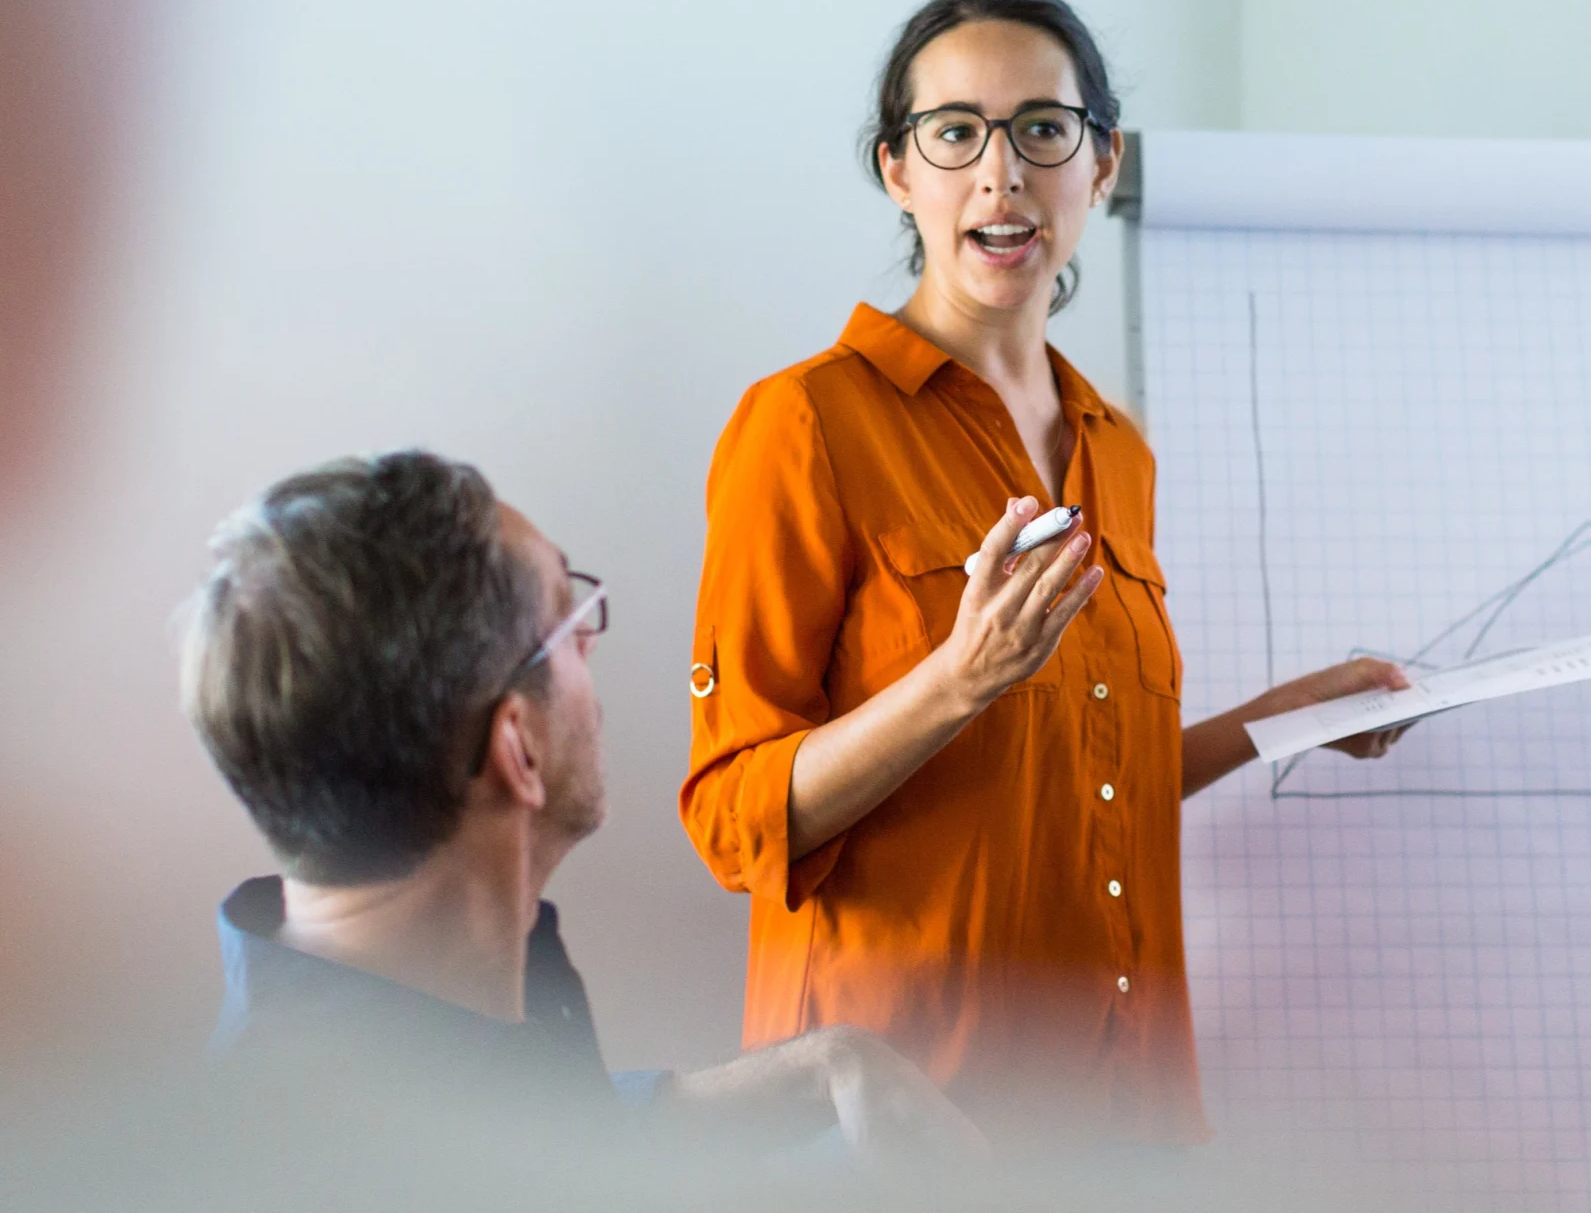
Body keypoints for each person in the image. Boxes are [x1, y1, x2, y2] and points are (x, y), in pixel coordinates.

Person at [680, 0, 1412, 1151]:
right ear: (898, 172)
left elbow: (1085, 782)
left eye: (1042, 130)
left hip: (1124, 1109)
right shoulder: (805, 424)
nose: (1001, 172)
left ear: (1101, 164)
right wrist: (961, 676)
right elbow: (731, 820)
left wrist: (1286, 716)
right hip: (906, 1119)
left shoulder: (1117, 447)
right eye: (955, 131)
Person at [176, 449, 987, 1172]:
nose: (592, 645)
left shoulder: (429, 1013)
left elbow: (549, 1125)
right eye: (568, 621)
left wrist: (826, 1066)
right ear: (517, 747)